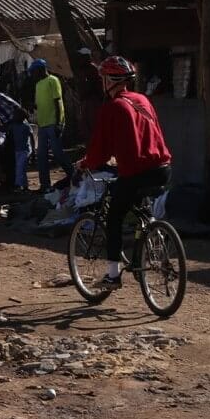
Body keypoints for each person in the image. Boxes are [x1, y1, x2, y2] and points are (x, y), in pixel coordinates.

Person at [76, 56, 172, 291]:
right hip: (162, 168)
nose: (101, 83)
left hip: (137, 172)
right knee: (140, 206)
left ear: (109, 80)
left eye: (103, 79)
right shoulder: (142, 100)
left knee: (114, 217)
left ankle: (112, 275)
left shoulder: (113, 107)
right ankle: (148, 238)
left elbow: (101, 148)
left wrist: (86, 163)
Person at [31, 59, 74, 192]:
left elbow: (58, 102)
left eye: (34, 71)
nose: (33, 74)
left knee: (58, 153)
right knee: (41, 156)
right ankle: (45, 185)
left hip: (53, 123)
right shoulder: (38, 84)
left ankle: (74, 176)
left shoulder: (53, 80)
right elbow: (39, 104)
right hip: (42, 125)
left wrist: (59, 123)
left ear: (41, 69)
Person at [0, 88, 33, 192]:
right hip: (17, 151)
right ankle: (24, 186)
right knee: (20, 169)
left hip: (24, 151)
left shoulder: (25, 126)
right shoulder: (13, 126)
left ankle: (18, 186)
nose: (13, 116)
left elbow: (31, 137)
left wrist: (33, 151)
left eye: (15, 115)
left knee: (20, 169)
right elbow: (4, 129)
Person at [74, 49, 104, 145]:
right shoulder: (83, 70)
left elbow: (95, 86)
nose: (79, 59)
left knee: (93, 126)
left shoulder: (93, 69)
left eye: (81, 57)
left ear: (87, 57)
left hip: (92, 102)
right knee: (85, 127)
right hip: (85, 101)